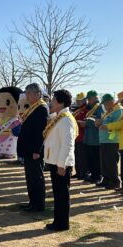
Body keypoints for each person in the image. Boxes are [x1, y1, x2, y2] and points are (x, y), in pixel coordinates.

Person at [43, 90, 76, 231]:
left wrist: (61, 164)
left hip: (60, 163)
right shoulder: (60, 117)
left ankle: (62, 224)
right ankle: (58, 221)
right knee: (58, 194)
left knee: (62, 194)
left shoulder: (66, 119)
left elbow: (67, 144)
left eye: (54, 100)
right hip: (55, 161)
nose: (51, 102)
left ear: (61, 102)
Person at [17, 83, 49, 212]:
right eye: (26, 93)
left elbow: (40, 132)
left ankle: (38, 204)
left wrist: (37, 150)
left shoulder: (42, 108)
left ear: (38, 94)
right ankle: (32, 202)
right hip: (28, 149)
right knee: (30, 177)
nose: (27, 96)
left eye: (29, 93)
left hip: (34, 150)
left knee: (36, 178)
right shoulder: (33, 107)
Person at [103, 90, 123, 196]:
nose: (121, 103)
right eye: (120, 101)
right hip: (122, 141)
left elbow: (121, 124)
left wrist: (108, 126)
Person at [96, 94, 123, 190]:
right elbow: (104, 122)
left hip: (112, 140)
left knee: (111, 162)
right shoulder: (107, 111)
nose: (105, 105)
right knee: (104, 162)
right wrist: (98, 122)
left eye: (106, 103)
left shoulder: (118, 110)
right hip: (104, 139)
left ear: (111, 101)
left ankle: (115, 181)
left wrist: (103, 124)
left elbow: (117, 124)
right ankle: (106, 179)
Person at [83, 90, 102, 184]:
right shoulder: (90, 107)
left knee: (96, 159)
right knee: (90, 159)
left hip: (95, 138)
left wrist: (87, 122)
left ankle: (98, 176)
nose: (88, 100)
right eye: (88, 99)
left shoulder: (100, 107)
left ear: (95, 97)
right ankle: (93, 175)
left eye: (90, 98)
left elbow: (100, 120)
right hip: (89, 138)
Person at [73, 92, 90, 180]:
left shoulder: (87, 109)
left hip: (82, 136)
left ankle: (83, 173)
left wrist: (78, 123)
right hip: (76, 136)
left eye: (80, 100)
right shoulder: (76, 109)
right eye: (77, 100)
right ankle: (78, 172)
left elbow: (85, 122)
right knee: (77, 156)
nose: (79, 102)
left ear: (84, 100)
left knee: (82, 156)